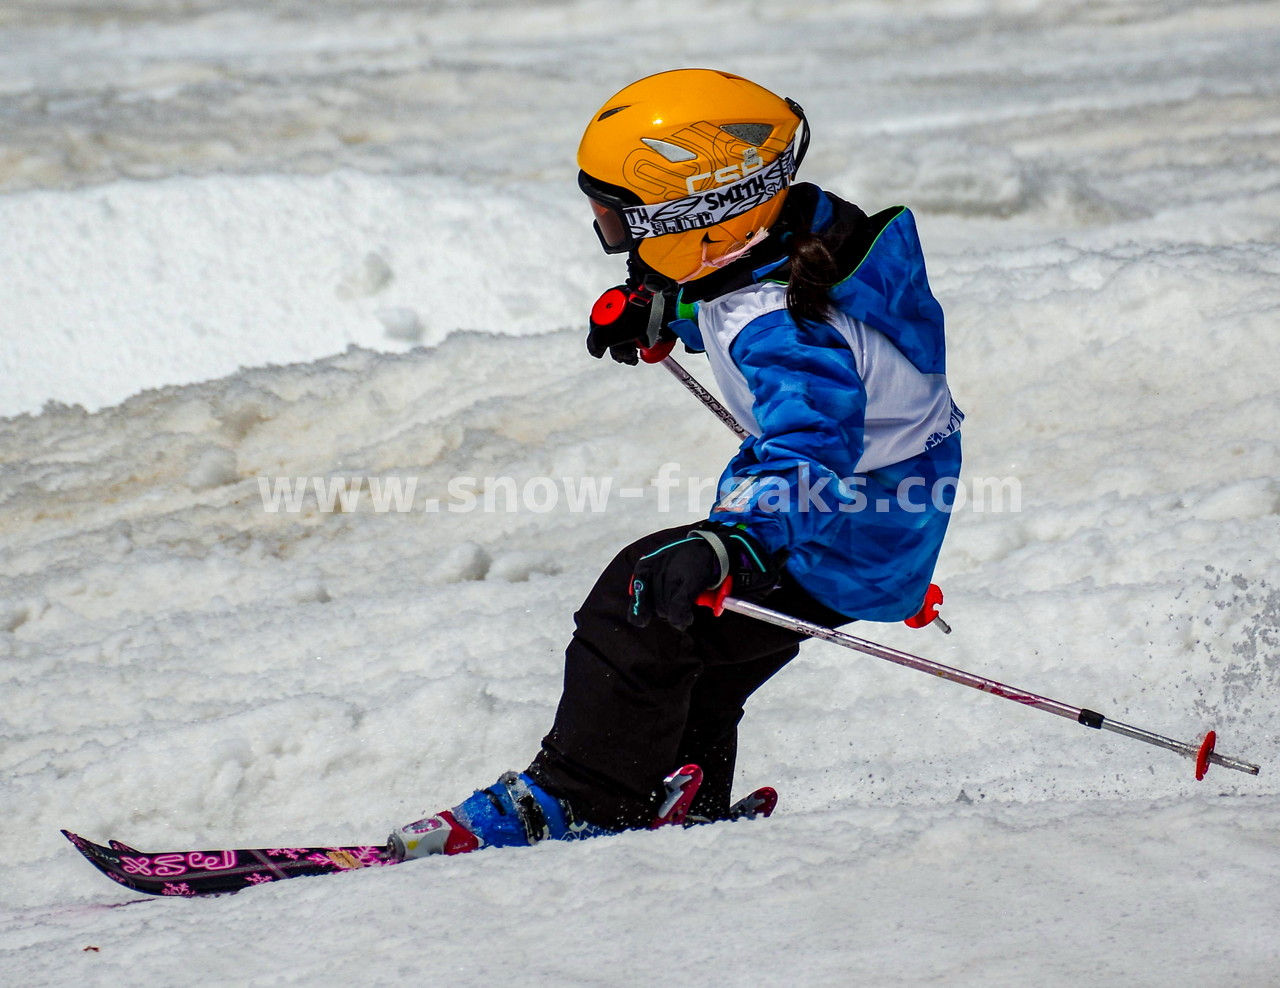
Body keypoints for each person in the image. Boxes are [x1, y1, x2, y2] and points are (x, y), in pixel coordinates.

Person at [388, 68, 963, 859]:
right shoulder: (789, 242)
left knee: (649, 590)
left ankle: (574, 798)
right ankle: (678, 788)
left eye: (622, 226)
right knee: (706, 659)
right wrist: (673, 307)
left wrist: (735, 539)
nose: (616, 245)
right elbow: (738, 291)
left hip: (846, 526)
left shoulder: (786, 329)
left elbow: (809, 447)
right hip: (881, 512)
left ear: (700, 216)